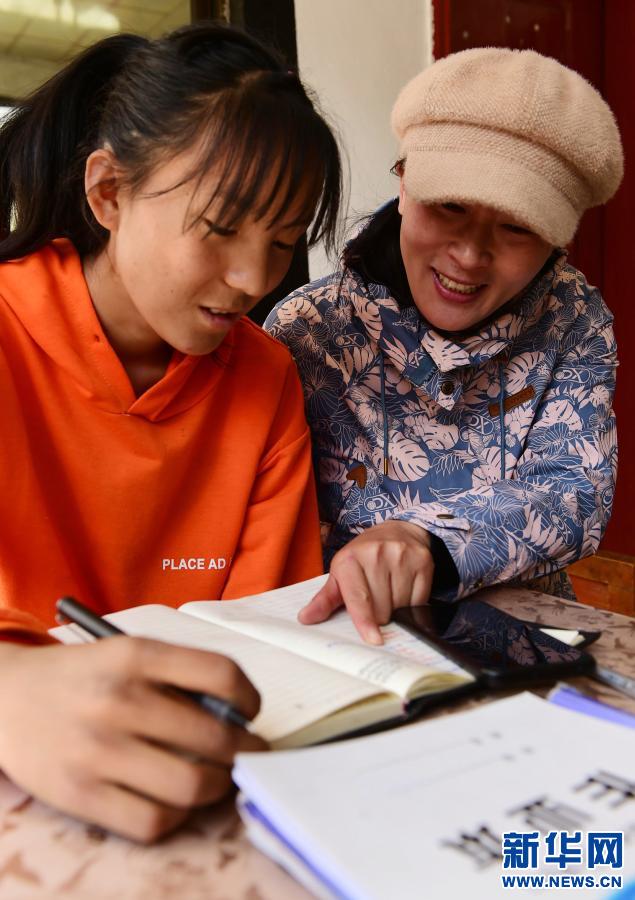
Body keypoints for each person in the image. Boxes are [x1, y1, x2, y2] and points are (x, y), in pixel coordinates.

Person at [0, 23, 341, 841]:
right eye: (220, 227)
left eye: (283, 243)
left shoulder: (263, 376)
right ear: (108, 193)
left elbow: (265, 634)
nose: (254, 280)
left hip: (196, 779)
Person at [265, 48, 623, 645]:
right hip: (345, 638)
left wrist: (429, 540)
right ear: (404, 182)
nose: (469, 255)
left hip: (519, 637)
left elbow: (573, 491)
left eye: (517, 226)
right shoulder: (307, 329)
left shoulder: (573, 318)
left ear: (556, 239)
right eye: (450, 206)